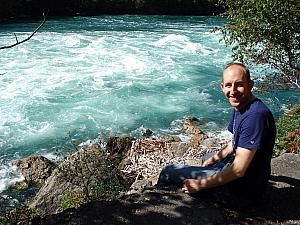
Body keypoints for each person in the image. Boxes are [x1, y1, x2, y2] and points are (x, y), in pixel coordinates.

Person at [157, 63, 276, 207]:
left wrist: (200, 185)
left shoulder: (255, 116)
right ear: (222, 87)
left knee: (168, 171)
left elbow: (238, 170)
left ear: (250, 85)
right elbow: (234, 143)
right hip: (247, 177)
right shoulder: (241, 104)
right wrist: (214, 158)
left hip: (241, 192)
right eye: (228, 85)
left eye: (239, 85)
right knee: (207, 157)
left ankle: (160, 205)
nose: (233, 91)